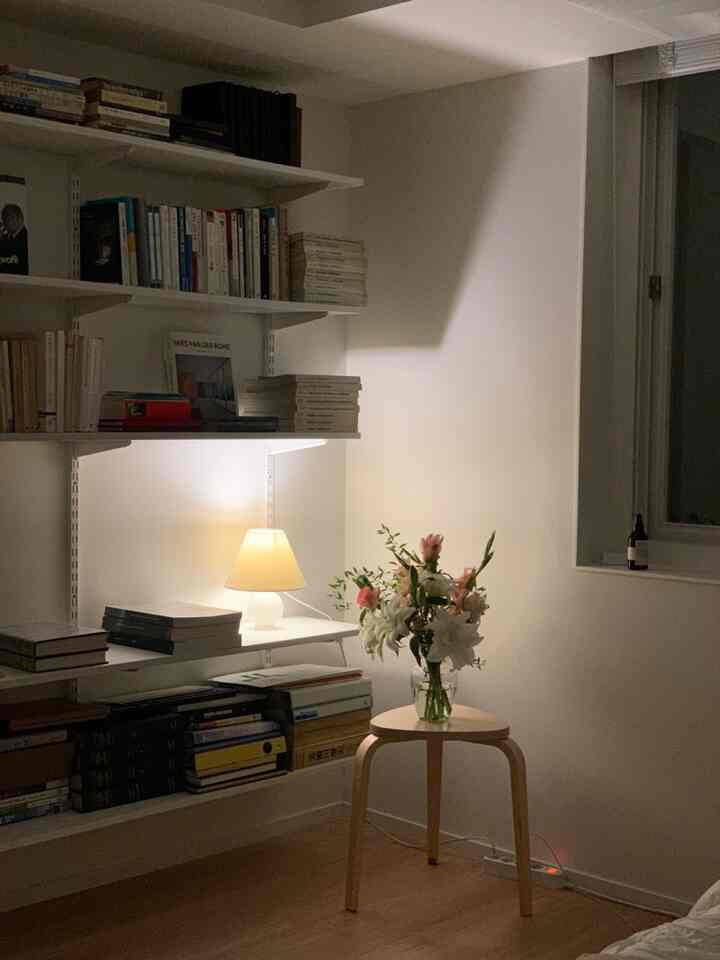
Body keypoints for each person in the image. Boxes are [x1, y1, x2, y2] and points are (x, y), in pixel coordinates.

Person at [0, 203, 28, 274]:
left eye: (10, 218)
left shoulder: (27, 237)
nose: (5, 222)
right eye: (4, 218)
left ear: (20, 218)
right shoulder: (5, 237)